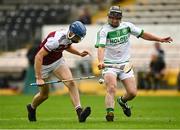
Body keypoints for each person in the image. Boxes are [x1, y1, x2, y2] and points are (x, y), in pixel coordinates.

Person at [95, 6, 173, 121]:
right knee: (111, 88)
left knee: (132, 92)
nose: (114, 20)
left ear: (120, 18)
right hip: (109, 65)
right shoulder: (104, 31)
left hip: (125, 64)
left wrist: (159, 39)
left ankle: (122, 101)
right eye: (112, 18)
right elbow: (101, 48)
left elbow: (143, 34)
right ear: (109, 17)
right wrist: (101, 61)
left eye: (117, 18)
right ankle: (110, 114)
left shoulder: (127, 26)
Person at [26, 21, 91, 122]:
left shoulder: (69, 37)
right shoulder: (55, 40)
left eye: (79, 38)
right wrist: (38, 77)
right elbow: (38, 56)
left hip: (57, 62)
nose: (78, 40)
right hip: (43, 65)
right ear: (72, 33)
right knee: (44, 95)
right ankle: (32, 108)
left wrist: (79, 53)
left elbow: (67, 46)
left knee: (71, 83)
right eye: (77, 37)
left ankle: (80, 113)